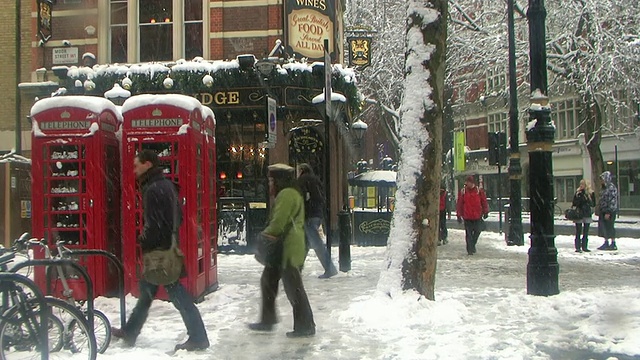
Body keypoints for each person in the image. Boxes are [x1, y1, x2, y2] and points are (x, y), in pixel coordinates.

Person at [112, 150, 209, 351]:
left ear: (148, 165)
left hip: (160, 253)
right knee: (147, 293)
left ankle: (198, 337)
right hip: (167, 248)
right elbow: (178, 218)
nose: (134, 169)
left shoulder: (152, 189)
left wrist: (144, 239)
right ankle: (130, 331)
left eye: (137, 165)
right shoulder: (165, 185)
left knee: (177, 295)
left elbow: (155, 224)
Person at [248, 163, 316, 338]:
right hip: (285, 248)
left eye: (272, 180)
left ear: (279, 180)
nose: (270, 184)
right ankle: (268, 320)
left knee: (293, 287)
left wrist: (263, 236)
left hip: (288, 249)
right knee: (268, 280)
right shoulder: (291, 192)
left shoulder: (286, 194)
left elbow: (278, 223)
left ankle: (305, 326)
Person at [297, 163, 338, 278]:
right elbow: (320, 197)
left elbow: (302, 198)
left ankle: (330, 269)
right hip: (317, 214)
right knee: (305, 243)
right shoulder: (315, 180)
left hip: (308, 214)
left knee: (316, 243)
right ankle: (296, 269)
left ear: (301, 170)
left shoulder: (303, 180)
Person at [456, 175, 489, 255]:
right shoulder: (463, 191)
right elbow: (459, 204)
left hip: (477, 215)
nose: (467, 184)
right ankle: (470, 249)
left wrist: (485, 211)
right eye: (466, 182)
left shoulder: (479, 191)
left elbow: (484, 201)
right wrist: (459, 215)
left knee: (477, 231)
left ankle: (472, 244)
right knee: (469, 233)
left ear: (472, 183)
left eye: (468, 182)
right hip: (467, 216)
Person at [571, 179, 596, 253]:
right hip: (579, 213)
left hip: (587, 213)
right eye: (580, 184)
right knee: (578, 230)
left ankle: (585, 246)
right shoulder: (578, 193)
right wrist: (580, 196)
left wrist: (587, 198)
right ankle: (578, 247)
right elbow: (575, 203)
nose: (581, 186)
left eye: (583, 184)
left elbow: (593, 204)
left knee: (586, 231)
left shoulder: (591, 193)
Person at [597, 171, 618, 251]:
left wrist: (608, 212)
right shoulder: (603, 188)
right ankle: (606, 242)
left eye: (602, 179)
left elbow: (612, 200)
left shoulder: (611, 188)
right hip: (603, 210)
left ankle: (613, 243)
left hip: (609, 211)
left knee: (610, 226)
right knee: (604, 227)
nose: (601, 181)